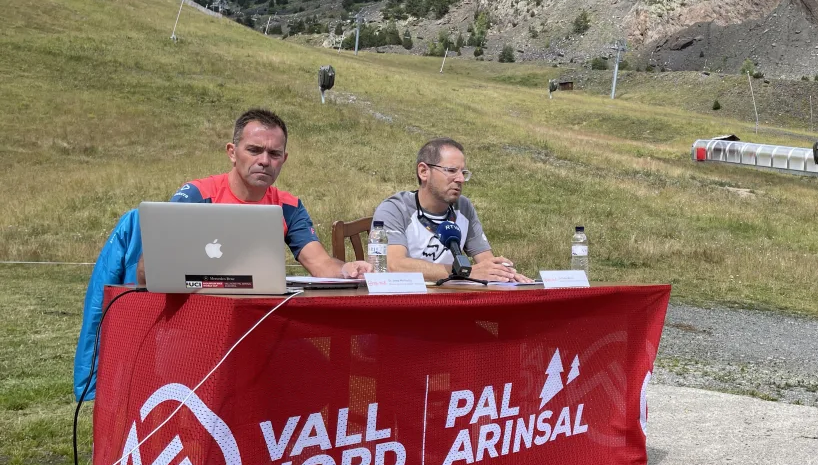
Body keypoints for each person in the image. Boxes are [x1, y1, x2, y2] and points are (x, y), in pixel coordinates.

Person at [138, 109, 372, 282]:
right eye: (254, 150)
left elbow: (320, 263)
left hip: (257, 318)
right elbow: (146, 273)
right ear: (232, 153)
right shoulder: (196, 195)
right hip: (195, 314)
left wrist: (347, 269)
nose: (264, 160)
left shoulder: (289, 206)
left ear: (284, 159)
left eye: (274, 153)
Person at [373, 138, 532, 283]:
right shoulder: (395, 209)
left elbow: (485, 261)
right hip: (406, 304)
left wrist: (505, 273)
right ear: (423, 171)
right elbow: (394, 265)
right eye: (451, 170)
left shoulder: (463, 207)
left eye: (463, 173)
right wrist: (464, 273)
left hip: (452, 300)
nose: (460, 179)